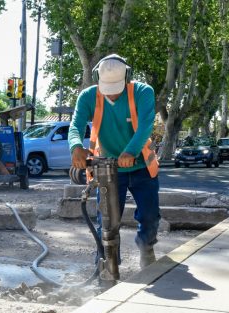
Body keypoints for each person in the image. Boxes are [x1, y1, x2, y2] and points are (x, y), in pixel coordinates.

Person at [68, 54, 160, 268]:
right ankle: (107, 265)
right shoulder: (88, 96)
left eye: (117, 87)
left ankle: (146, 245)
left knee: (149, 216)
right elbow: (75, 125)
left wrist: (130, 152)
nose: (113, 92)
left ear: (128, 77)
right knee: (107, 222)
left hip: (142, 166)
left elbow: (146, 125)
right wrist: (75, 147)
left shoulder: (143, 92)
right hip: (108, 168)